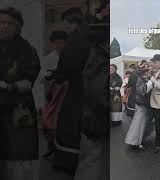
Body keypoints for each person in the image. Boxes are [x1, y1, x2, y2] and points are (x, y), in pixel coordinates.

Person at [0, 7, 40, 179]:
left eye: (9, 23)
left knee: (19, 156)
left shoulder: (26, 50)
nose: (3, 26)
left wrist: (9, 86)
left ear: (17, 27)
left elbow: (28, 81)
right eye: (0, 22)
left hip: (17, 111)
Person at [52, 7, 91, 175]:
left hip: (75, 88)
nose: (65, 27)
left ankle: (68, 162)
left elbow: (67, 68)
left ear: (75, 23)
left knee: (69, 125)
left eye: (67, 23)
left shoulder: (74, 42)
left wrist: (56, 76)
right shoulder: (87, 38)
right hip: (85, 87)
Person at [74, 23, 108, 180]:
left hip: (93, 116)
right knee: (93, 161)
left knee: (93, 159)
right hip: (97, 118)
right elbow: (98, 93)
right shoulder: (101, 58)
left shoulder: (95, 55)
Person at [40, 30, 69, 158]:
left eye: (62, 42)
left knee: (62, 121)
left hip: (66, 93)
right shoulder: (48, 59)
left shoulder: (70, 56)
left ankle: (62, 148)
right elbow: (41, 77)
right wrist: (49, 76)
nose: (59, 45)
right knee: (49, 121)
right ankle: (50, 145)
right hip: (52, 94)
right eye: (56, 43)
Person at [125, 63, 154, 149]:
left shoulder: (139, 78)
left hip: (139, 103)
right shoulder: (140, 79)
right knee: (139, 124)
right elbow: (142, 91)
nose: (149, 72)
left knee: (138, 123)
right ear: (144, 72)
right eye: (147, 70)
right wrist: (150, 83)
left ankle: (135, 141)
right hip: (140, 104)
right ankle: (135, 142)